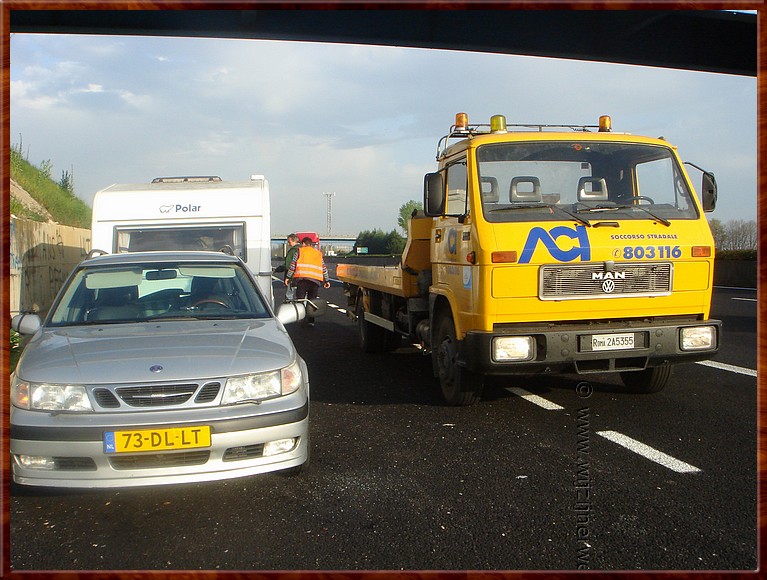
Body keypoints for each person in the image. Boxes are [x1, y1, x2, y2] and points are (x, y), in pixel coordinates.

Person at [285, 237, 330, 326]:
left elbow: (293, 265)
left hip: (302, 280)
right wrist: (327, 280)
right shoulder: (318, 253)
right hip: (315, 281)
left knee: (300, 300)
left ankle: (300, 317)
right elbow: (323, 267)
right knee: (312, 301)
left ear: (304, 243)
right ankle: (311, 321)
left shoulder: (299, 251)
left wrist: (288, 277)